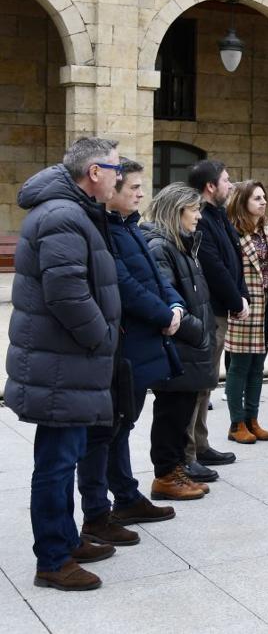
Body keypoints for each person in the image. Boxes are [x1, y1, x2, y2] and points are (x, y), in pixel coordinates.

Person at [7, 137, 122, 590]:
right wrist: (102, 338)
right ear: (93, 172)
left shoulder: (71, 210)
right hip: (64, 363)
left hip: (67, 361)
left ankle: (66, 540)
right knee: (56, 463)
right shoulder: (63, 215)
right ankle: (53, 560)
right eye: (115, 167)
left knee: (64, 456)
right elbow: (67, 292)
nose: (120, 173)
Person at [79, 159, 187, 538]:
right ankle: (101, 510)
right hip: (127, 343)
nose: (142, 194)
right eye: (134, 188)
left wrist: (174, 305)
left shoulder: (132, 228)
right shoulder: (106, 230)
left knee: (124, 424)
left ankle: (125, 496)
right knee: (109, 428)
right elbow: (123, 284)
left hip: (145, 340)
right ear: (114, 192)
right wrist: (162, 314)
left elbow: (157, 277)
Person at [145, 184, 221, 494]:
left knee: (180, 415)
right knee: (170, 415)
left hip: (190, 347)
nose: (199, 217)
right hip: (180, 348)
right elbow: (166, 300)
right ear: (177, 212)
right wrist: (196, 330)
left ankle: (177, 470)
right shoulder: (161, 248)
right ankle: (166, 476)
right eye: (195, 210)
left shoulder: (182, 245)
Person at [185, 159, 246, 481]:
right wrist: (237, 299)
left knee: (207, 383)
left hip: (223, 309)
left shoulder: (219, 216)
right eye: (225, 180)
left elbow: (234, 258)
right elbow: (212, 264)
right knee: (199, 385)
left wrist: (241, 294)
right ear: (210, 187)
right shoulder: (203, 219)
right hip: (210, 310)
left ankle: (201, 443)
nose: (230, 184)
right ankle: (189, 453)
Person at [223, 180, 268, 443]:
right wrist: (237, 299)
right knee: (239, 365)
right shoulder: (232, 231)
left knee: (259, 366)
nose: (263, 202)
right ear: (242, 202)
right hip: (245, 306)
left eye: (264, 197)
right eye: (256, 198)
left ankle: (253, 418)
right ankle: (236, 423)